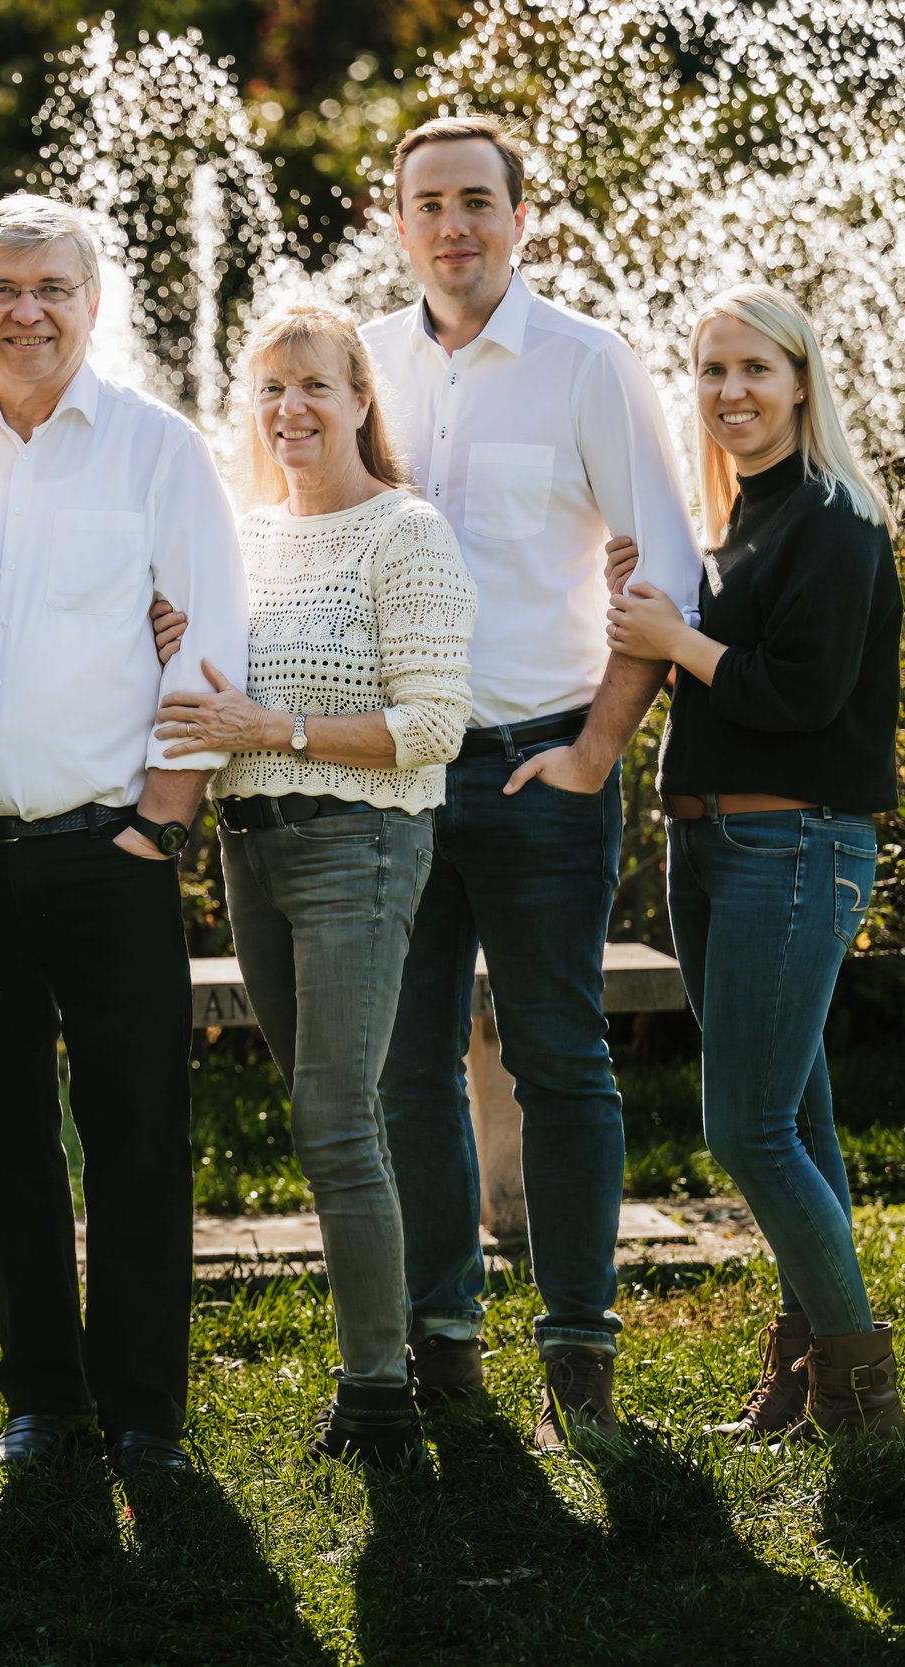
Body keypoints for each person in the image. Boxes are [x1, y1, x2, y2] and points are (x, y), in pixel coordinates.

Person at [362, 115, 702, 1446]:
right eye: (428, 204)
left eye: (476, 201)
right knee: (406, 1070)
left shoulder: (586, 362)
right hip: (391, 776)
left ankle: (579, 1353)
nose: (452, 225)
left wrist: (596, 751)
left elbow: (663, 568)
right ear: (397, 223)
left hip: (538, 767)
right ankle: (441, 1343)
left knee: (560, 1059)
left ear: (521, 216)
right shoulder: (363, 363)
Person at [0, 193, 248, 1480]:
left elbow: (210, 628)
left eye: (52, 286)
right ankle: (40, 1397)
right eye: (2, 289)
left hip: (109, 842)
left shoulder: (155, 447)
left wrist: (163, 816)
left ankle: (143, 1408)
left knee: (136, 1128)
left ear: (92, 302)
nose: (28, 311)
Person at [156, 306, 475, 1469]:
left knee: (336, 1116)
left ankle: (379, 1399)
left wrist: (272, 726)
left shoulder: (404, 532)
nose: (289, 409)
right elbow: (210, 689)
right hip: (250, 846)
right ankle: (394, 1366)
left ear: (358, 400)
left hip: (360, 843)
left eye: (313, 387)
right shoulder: (240, 538)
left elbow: (432, 725)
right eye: (269, 390)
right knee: (326, 1115)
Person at [603, 284, 905, 1440]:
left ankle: (862, 1400)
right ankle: (803, 1376)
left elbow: (801, 695)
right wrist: (653, 597)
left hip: (792, 844)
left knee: (748, 1129)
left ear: (800, 381)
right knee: (799, 1123)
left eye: (753, 369)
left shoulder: (832, 516)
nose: (730, 391)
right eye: (711, 370)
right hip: (717, 846)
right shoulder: (742, 519)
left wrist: (676, 636)